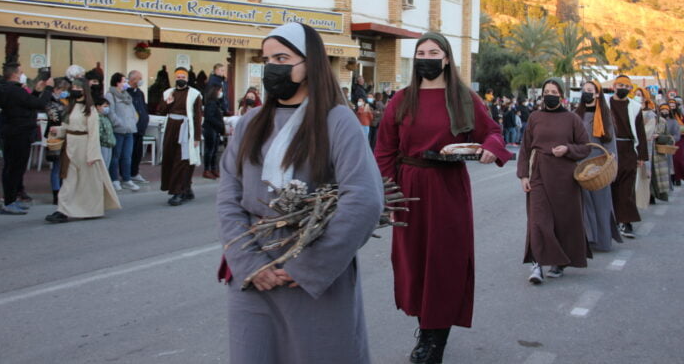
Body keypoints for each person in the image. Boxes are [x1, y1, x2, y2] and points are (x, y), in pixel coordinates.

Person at [217, 22, 383, 363]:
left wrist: (305, 267)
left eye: (282, 57)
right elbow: (228, 198)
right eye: (266, 59)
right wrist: (249, 263)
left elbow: (363, 199)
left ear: (310, 63)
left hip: (312, 273)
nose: (272, 67)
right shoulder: (250, 123)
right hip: (255, 274)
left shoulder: (338, 121)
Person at [375, 32, 512, 364]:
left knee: (445, 263)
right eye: (421, 52)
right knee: (414, 262)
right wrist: (389, 196)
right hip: (409, 188)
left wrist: (491, 150)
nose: (426, 57)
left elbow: (492, 132)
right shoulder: (402, 99)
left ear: (447, 58)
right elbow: (384, 152)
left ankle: (433, 340)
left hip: (448, 188)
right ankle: (426, 327)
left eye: (433, 52)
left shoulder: (464, 98)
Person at [518, 78, 592, 284]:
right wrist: (523, 175)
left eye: (554, 91)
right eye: (546, 91)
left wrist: (568, 149)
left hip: (565, 177)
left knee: (563, 221)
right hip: (539, 173)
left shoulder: (572, 119)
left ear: (561, 95)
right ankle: (537, 264)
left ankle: (559, 262)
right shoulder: (535, 117)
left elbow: (585, 146)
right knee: (538, 219)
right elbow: (525, 148)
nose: (550, 95)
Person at [45, 79, 121, 223]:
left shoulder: (90, 110)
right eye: (73, 87)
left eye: (78, 87)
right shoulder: (71, 108)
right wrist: (58, 130)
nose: (75, 89)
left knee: (87, 182)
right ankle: (62, 210)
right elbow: (68, 126)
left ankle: (90, 209)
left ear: (84, 90)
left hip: (84, 145)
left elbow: (93, 133)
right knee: (68, 180)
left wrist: (92, 154)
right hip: (70, 145)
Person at [0, 62, 54, 214]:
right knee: (15, 168)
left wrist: (35, 91)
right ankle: (9, 202)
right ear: (14, 74)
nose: (23, 74)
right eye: (21, 71)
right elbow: (40, 104)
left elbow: (28, 105)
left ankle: (12, 199)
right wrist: (48, 88)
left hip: (12, 132)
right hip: (18, 133)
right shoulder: (14, 91)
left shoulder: (5, 90)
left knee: (13, 167)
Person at [575, 80, 622, 252]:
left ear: (597, 94)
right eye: (584, 90)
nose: (586, 93)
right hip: (580, 164)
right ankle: (589, 239)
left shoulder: (605, 115)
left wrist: (610, 162)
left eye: (590, 90)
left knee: (601, 203)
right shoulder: (576, 114)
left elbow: (610, 142)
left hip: (599, 163)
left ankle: (603, 240)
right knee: (584, 204)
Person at [609, 75, 648, 238]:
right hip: (610, 148)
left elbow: (640, 131)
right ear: (614, 86)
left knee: (626, 187)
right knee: (610, 185)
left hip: (628, 149)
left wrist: (641, 155)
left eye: (626, 86)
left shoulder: (635, 107)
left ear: (630, 89)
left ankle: (626, 222)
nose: (622, 88)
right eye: (620, 85)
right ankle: (611, 221)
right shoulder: (605, 103)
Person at [158, 67, 202, 206]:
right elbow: (161, 111)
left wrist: (196, 137)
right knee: (170, 158)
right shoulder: (168, 93)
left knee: (182, 160)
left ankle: (178, 192)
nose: (180, 79)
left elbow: (197, 116)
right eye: (178, 77)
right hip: (171, 128)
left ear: (187, 79)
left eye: (183, 77)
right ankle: (186, 188)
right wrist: (168, 103)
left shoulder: (195, 94)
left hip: (186, 129)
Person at [105, 73, 140, 192]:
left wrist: (134, 121)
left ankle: (126, 179)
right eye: (123, 81)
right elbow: (111, 112)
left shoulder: (127, 95)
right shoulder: (110, 95)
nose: (126, 83)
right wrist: (118, 123)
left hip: (129, 130)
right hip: (118, 130)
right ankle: (114, 179)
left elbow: (133, 111)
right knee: (116, 156)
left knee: (127, 156)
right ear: (117, 83)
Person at [44, 77, 71, 205]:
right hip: (55, 135)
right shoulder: (50, 101)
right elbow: (54, 118)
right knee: (57, 165)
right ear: (56, 89)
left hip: (67, 134)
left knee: (64, 164)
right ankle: (56, 193)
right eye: (63, 90)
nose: (65, 92)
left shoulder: (66, 101)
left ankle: (64, 190)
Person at [634, 87, 656, 210]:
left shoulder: (650, 113)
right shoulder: (631, 110)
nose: (638, 97)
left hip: (644, 146)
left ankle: (642, 200)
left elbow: (648, 131)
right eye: (636, 94)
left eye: (640, 95)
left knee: (643, 174)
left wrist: (636, 136)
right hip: (632, 146)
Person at [651, 103, 679, 202]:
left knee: (658, 176)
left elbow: (670, 138)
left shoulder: (663, 122)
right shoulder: (640, 119)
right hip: (646, 153)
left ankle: (655, 196)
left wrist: (659, 137)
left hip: (659, 153)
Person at [126, 70, 150, 183]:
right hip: (131, 128)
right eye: (139, 78)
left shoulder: (140, 93)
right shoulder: (126, 93)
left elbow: (143, 107)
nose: (141, 80)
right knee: (128, 153)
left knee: (138, 153)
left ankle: (135, 173)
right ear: (132, 80)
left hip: (140, 128)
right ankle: (127, 175)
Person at [203, 84, 226, 180]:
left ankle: (213, 169)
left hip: (215, 130)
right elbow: (210, 117)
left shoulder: (216, 103)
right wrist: (220, 125)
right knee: (210, 150)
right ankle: (207, 169)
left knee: (215, 151)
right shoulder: (211, 103)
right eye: (220, 90)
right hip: (210, 129)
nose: (221, 92)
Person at [668, 98, 684, 186]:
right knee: (670, 160)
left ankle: (678, 178)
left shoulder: (681, 117)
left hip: (679, 141)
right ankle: (671, 178)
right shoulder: (664, 117)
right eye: (670, 107)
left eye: (673, 106)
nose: (672, 108)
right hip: (668, 141)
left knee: (678, 160)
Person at [95, 97, 116, 169]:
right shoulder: (97, 118)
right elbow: (98, 133)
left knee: (106, 165)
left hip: (109, 145)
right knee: (103, 166)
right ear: (98, 107)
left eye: (108, 107)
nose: (107, 108)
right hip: (102, 145)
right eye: (105, 106)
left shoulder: (105, 117)